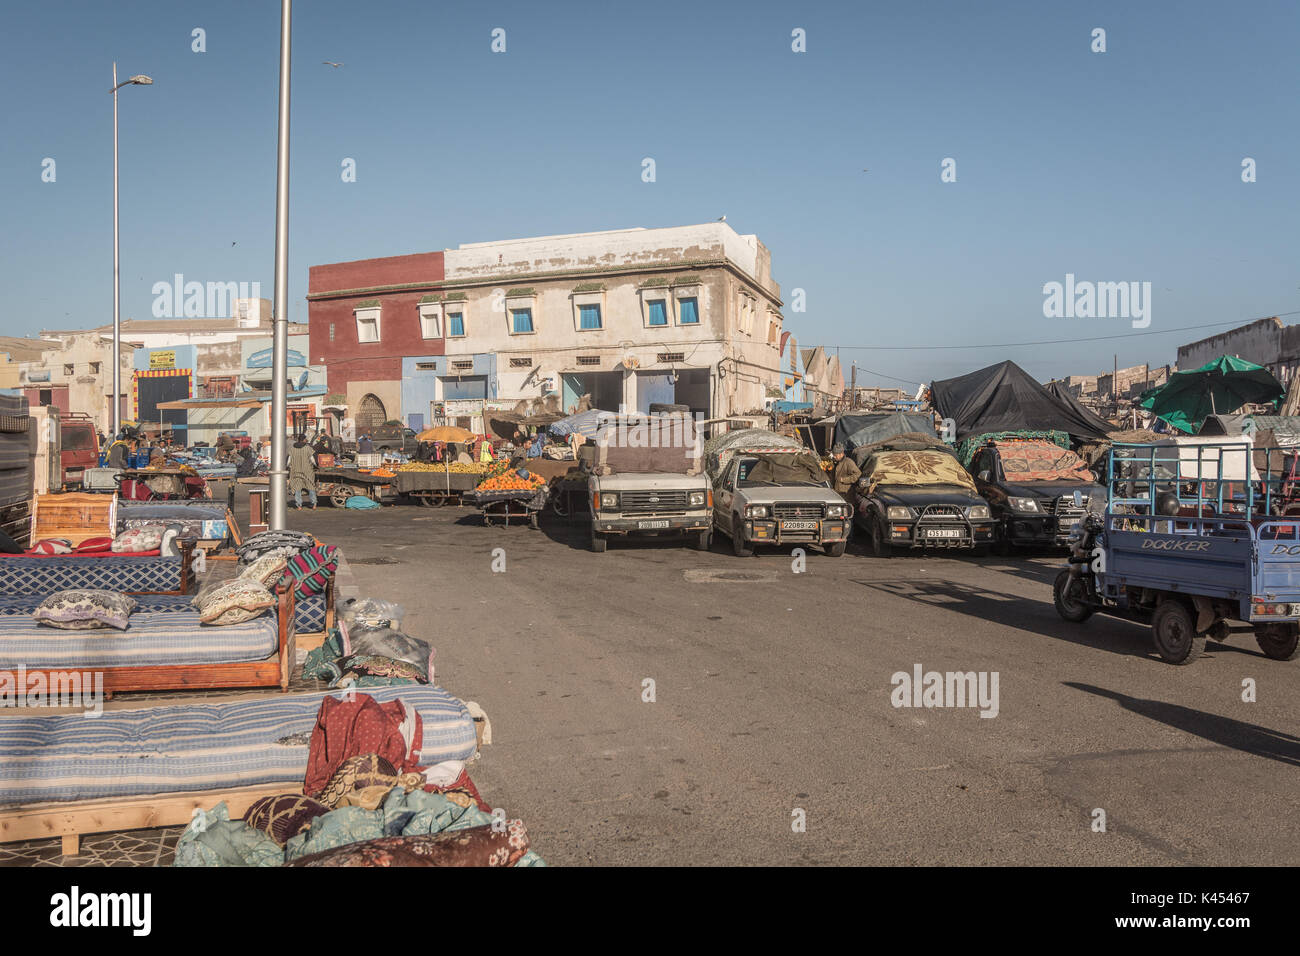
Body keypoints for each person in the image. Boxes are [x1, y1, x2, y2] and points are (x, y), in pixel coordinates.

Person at [288, 434, 318, 509]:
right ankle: (314, 504)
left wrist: (289, 467)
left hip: (296, 471)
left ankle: (299, 505)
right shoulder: (308, 448)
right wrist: (316, 465)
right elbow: (313, 460)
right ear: (304, 440)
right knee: (310, 486)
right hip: (307, 471)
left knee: (297, 488)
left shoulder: (292, 449)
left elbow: (288, 462)